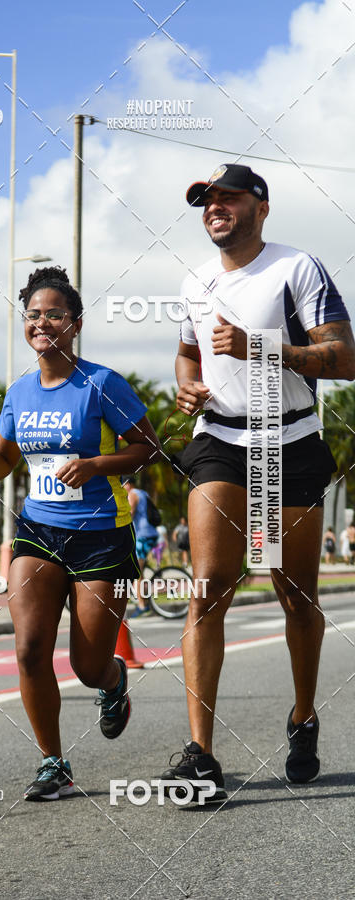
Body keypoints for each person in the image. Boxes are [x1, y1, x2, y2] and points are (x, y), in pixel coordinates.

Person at [164, 163, 355, 799]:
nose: (214, 208)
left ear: (261, 206)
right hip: (219, 442)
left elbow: (345, 358)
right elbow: (187, 352)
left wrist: (262, 347)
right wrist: (187, 385)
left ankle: (303, 716)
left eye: (227, 198)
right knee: (208, 589)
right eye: (205, 201)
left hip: (288, 442)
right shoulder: (194, 280)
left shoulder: (298, 268)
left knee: (294, 595)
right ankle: (200, 754)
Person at [0, 266, 160, 801]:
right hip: (38, 530)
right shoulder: (19, 392)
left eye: (54, 314)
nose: (41, 323)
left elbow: (148, 448)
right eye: (33, 314)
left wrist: (95, 466)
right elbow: (5, 456)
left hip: (101, 535)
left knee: (86, 666)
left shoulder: (102, 384)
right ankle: (53, 763)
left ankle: (113, 680)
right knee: (29, 649)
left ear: (76, 324)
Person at [122, 477, 160, 616]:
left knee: (136, 571)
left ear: (128, 484)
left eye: (123, 484)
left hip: (142, 536)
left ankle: (142, 606)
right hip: (151, 533)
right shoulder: (144, 493)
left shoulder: (133, 494)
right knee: (139, 570)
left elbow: (129, 514)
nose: (122, 488)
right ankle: (143, 600)